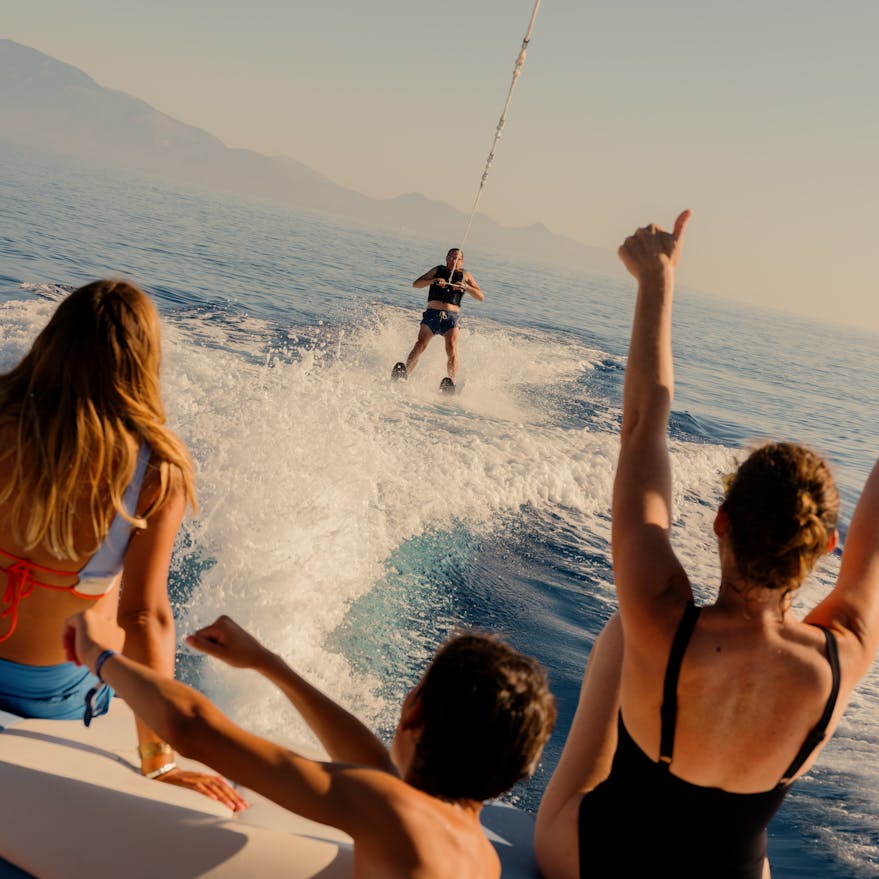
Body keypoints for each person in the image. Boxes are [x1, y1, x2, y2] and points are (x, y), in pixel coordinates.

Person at [534, 211, 879, 879]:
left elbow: (642, 428)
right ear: (826, 546)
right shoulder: (843, 655)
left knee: (619, 631)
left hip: (596, 861)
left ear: (720, 521)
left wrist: (656, 278)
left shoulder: (659, 618)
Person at [63, 610, 557, 879]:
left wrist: (99, 654)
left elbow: (195, 730)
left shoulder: (392, 813)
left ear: (414, 711)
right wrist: (268, 663)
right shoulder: (475, 850)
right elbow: (375, 766)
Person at [0, 279, 244, 811]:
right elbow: (144, 617)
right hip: (52, 690)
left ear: (52, 340)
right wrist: (159, 758)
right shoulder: (155, 471)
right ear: (144, 362)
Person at [392, 247, 484, 392]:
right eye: (451, 257)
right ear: (446, 258)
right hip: (432, 315)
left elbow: (480, 296)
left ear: (462, 261)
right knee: (420, 344)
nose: (453, 261)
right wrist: (433, 281)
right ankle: (405, 374)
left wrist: (466, 287)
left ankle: (451, 382)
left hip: (451, 318)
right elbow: (416, 284)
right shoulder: (437, 270)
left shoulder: (465, 275)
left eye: (457, 259)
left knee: (451, 347)